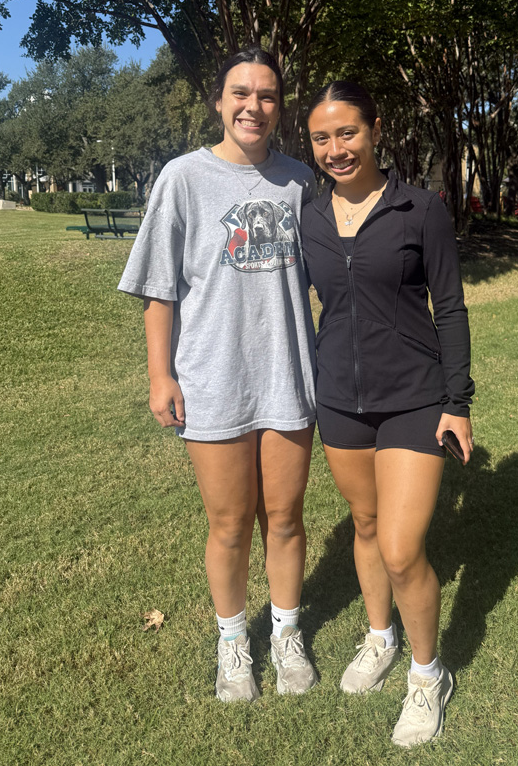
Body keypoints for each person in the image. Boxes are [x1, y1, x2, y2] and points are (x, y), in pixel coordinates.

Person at [118, 46, 318, 701]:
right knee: (230, 524)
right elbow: (159, 289)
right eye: (240, 93)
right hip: (214, 378)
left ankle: (286, 634)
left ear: (278, 106)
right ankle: (234, 641)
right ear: (218, 101)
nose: (252, 106)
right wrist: (160, 376)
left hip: (290, 377)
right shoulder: (182, 178)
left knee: (285, 519)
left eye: (265, 95)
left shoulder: (299, 181)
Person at [301, 82, 474, 747]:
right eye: (321, 138)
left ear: (376, 129)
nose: (336, 149)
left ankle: (429, 676)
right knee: (366, 527)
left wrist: (457, 402)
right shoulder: (310, 218)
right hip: (340, 402)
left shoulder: (419, 209)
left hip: (413, 399)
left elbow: (450, 308)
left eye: (348, 133)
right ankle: (381, 638)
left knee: (403, 550)